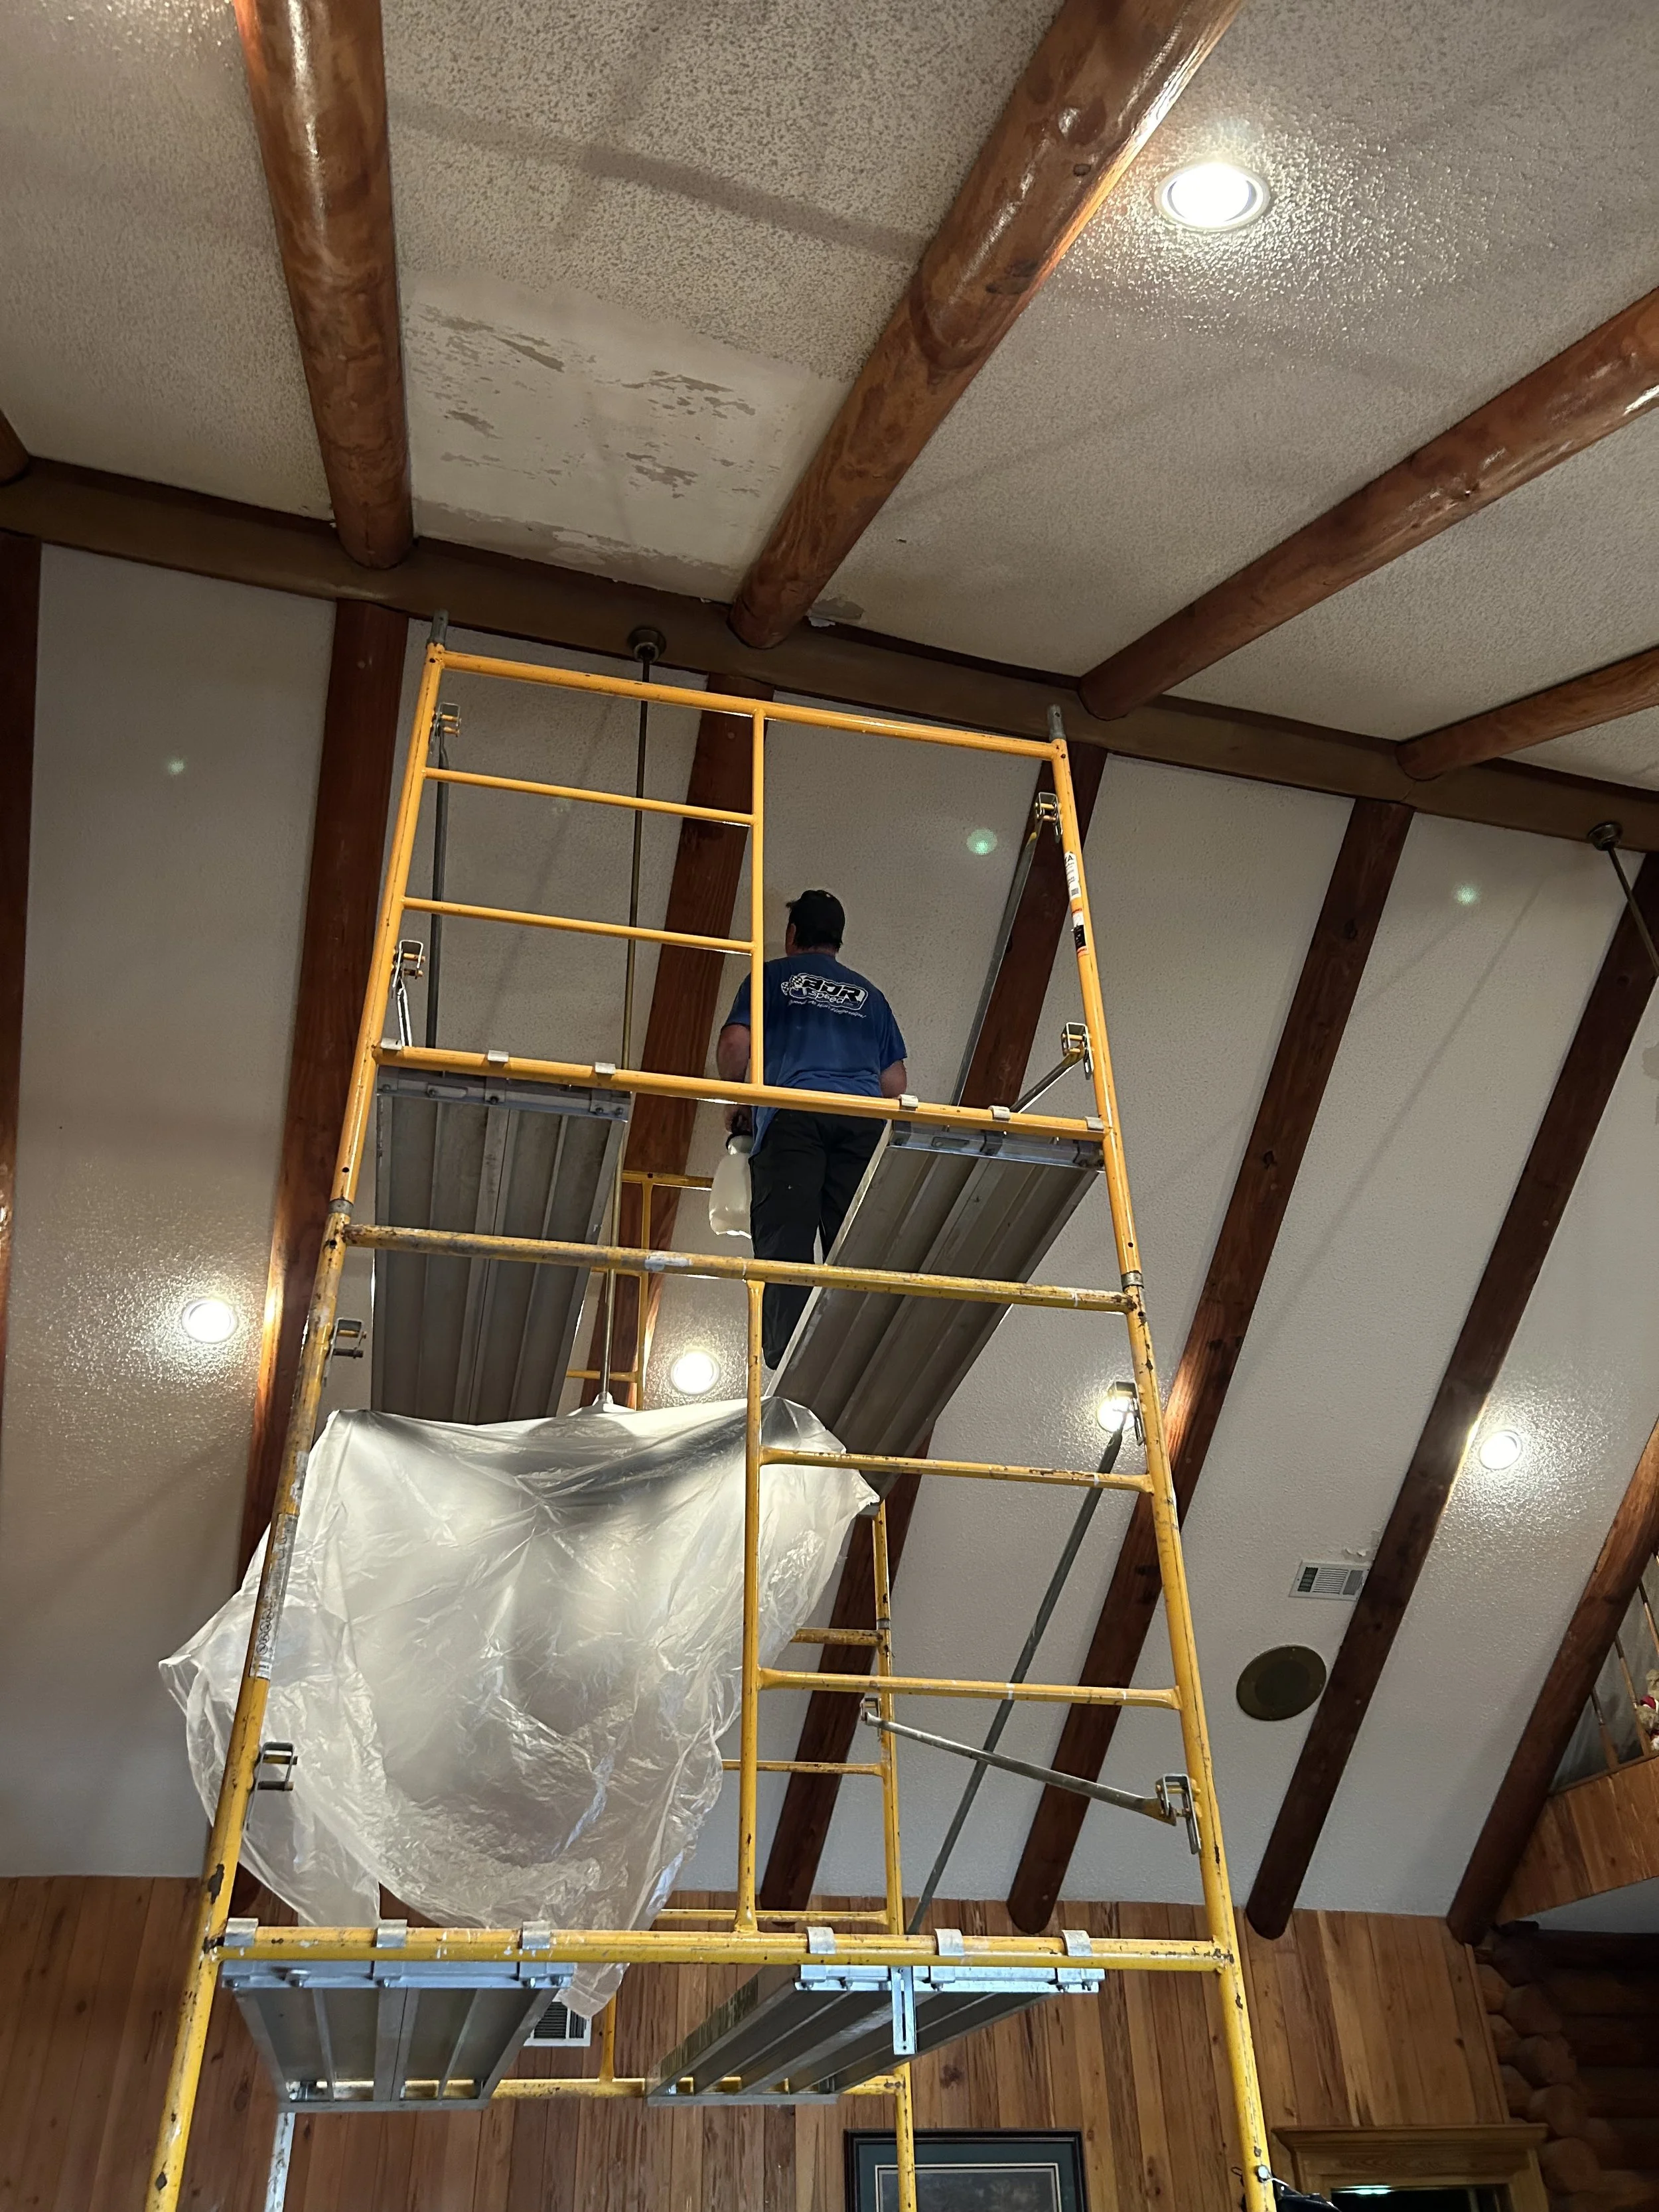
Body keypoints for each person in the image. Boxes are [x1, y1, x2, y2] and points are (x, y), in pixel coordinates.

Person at [716, 890, 907, 1366]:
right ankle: (859, 1352)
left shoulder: (769, 977)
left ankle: (787, 1354)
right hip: (862, 1124)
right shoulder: (872, 996)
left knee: (788, 1233)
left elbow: (736, 1044)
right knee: (856, 1239)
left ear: (793, 934)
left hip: (794, 1113)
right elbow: (894, 1082)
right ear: (837, 940)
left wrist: (738, 1094)